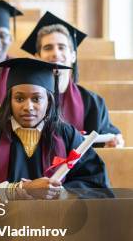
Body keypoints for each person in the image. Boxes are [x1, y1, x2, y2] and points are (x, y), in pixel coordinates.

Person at [0, 58, 110, 201]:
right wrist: (18, 190)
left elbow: (96, 184)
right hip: (2, 229)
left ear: (49, 100)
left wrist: (63, 194)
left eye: (36, 99)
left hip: (58, 228)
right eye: (19, 98)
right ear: (9, 101)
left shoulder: (67, 135)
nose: (28, 107)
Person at [21, 11, 124, 147]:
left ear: (73, 56)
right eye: (48, 48)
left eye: (62, 47)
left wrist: (115, 142)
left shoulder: (92, 103)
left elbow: (107, 138)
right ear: (37, 56)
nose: (56, 53)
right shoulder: (25, 99)